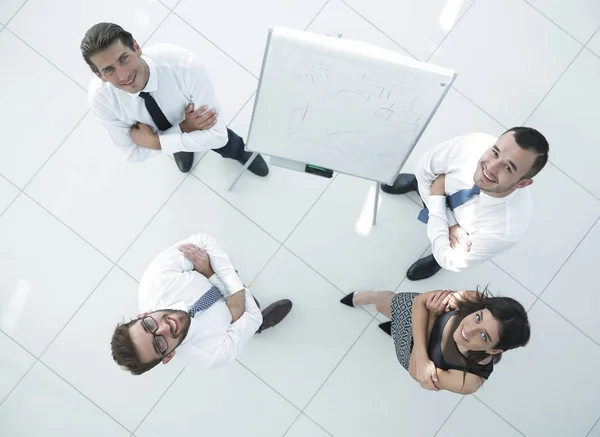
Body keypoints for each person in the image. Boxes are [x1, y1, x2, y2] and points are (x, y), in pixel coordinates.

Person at [80, 22, 268, 175]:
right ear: (99, 76)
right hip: (181, 125)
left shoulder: (183, 65)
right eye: (108, 70)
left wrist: (156, 142)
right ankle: (180, 148)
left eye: (123, 59)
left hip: (198, 122)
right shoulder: (101, 98)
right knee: (178, 144)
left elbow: (217, 136)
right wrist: (183, 129)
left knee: (223, 141)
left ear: (136, 47)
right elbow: (132, 154)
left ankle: (238, 152)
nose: (123, 76)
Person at [110, 233, 292, 375]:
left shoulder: (155, 281)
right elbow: (253, 316)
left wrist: (217, 279)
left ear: (142, 315)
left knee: (241, 307)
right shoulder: (210, 355)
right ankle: (257, 329)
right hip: (230, 287)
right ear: (168, 357)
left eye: (149, 325)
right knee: (252, 318)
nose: (165, 328)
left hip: (230, 291)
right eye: (159, 344)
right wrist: (210, 272)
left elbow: (203, 242)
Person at [382, 127, 549, 280]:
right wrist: (451, 222)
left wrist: (438, 189)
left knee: (449, 249)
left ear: (522, 183)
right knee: (421, 181)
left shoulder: (507, 230)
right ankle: (415, 185)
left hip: (447, 215)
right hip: (439, 196)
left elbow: (452, 261)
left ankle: (435, 256)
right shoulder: (473, 144)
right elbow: (424, 171)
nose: (490, 168)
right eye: (495, 153)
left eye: (508, 168)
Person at [340, 288, 530, 394]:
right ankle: (372, 296)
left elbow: (416, 372)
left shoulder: (470, 380)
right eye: (478, 318)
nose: (468, 329)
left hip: (411, 351)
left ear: (495, 350)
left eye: (483, 336)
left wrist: (431, 316)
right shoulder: (476, 299)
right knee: (386, 304)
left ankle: (395, 327)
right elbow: (420, 301)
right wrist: (424, 355)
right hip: (417, 331)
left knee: (399, 329)